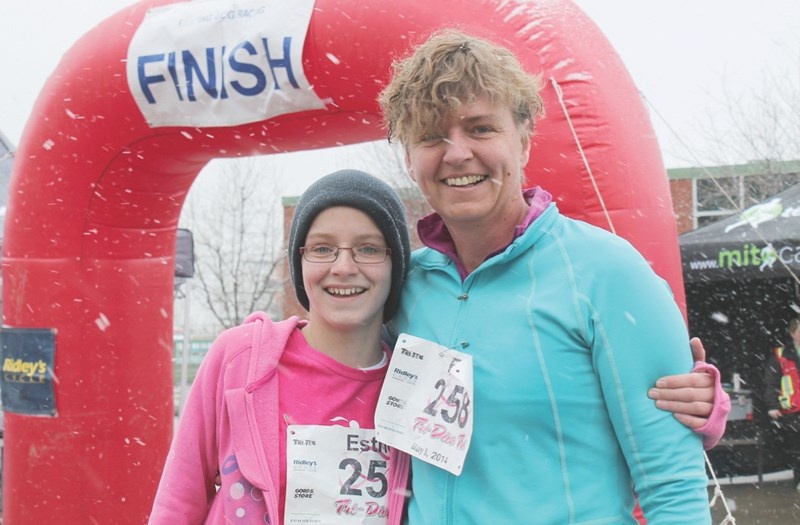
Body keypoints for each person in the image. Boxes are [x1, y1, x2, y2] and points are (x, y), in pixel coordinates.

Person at [377, 29, 719, 523]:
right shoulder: (407, 288)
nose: (456, 154)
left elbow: (674, 491)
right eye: (431, 136)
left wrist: (709, 404)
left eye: (479, 129)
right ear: (410, 159)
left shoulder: (609, 274)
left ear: (524, 142)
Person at [148, 169, 412, 524]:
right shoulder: (240, 360)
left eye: (368, 248)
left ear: (395, 263)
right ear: (299, 262)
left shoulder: (413, 389)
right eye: (322, 248)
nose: (344, 267)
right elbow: (177, 504)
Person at [764, 317, 800, 489]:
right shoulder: (781, 355)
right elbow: (771, 382)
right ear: (793, 334)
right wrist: (772, 406)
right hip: (793, 410)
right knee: (797, 448)